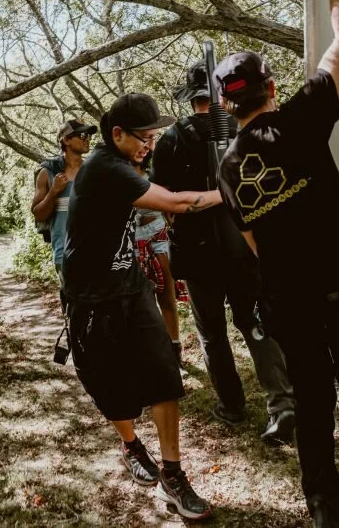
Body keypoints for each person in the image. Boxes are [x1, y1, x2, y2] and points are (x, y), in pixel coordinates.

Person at [216, 0, 339, 528]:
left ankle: (324, 509)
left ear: (226, 105)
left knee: (314, 408)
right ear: (271, 87)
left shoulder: (228, 170)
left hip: (289, 304)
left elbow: (257, 244)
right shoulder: (301, 119)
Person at [62, 92, 223, 520]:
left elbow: (161, 199)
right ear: (117, 134)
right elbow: (173, 203)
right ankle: (132, 445)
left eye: (154, 136)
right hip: (91, 299)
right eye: (144, 137)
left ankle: (173, 474)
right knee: (110, 386)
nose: (149, 144)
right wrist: (230, 190)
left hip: (131, 289)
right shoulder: (104, 168)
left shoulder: (126, 162)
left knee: (163, 377)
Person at [152, 62, 296, 444]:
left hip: (199, 254)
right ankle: (282, 405)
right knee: (256, 323)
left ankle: (232, 405)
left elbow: (163, 200)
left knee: (212, 333)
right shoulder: (245, 127)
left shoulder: (171, 139)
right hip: (246, 245)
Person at [31, 118, 96, 287]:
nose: (87, 139)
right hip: (65, 254)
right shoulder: (48, 173)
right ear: (66, 140)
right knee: (75, 307)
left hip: (96, 251)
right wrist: (53, 193)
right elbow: (38, 213)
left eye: (88, 135)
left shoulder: (94, 170)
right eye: (82, 135)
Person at [133, 154, 180, 351]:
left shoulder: (153, 175)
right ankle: (152, 350)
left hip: (158, 233)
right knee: (142, 300)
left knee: (167, 296)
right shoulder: (117, 176)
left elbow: (168, 204)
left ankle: (174, 347)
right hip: (132, 239)